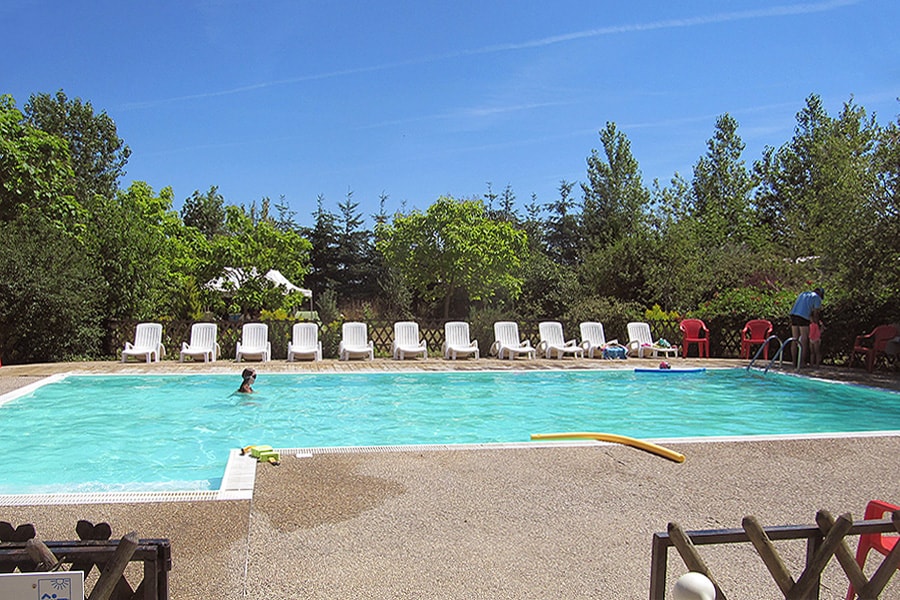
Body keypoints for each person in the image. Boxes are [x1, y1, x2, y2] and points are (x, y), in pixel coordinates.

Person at [789, 287, 824, 368]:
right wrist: (817, 322)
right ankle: (802, 362)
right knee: (804, 338)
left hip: (793, 314)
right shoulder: (817, 297)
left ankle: (794, 362)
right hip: (803, 317)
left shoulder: (803, 294)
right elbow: (816, 313)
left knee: (795, 338)